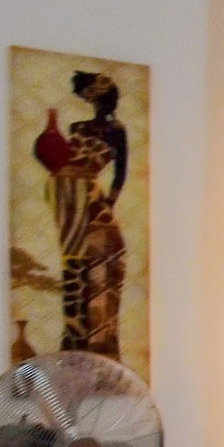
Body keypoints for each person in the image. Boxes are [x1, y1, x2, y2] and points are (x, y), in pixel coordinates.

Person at [34, 70, 130, 359]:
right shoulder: (78, 127)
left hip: (92, 202)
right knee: (75, 264)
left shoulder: (118, 131)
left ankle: (99, 346)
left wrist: (107, 205)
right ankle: (76, 342)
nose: (99, 104)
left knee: (101, 266)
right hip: (70, 199)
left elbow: (120, 175)